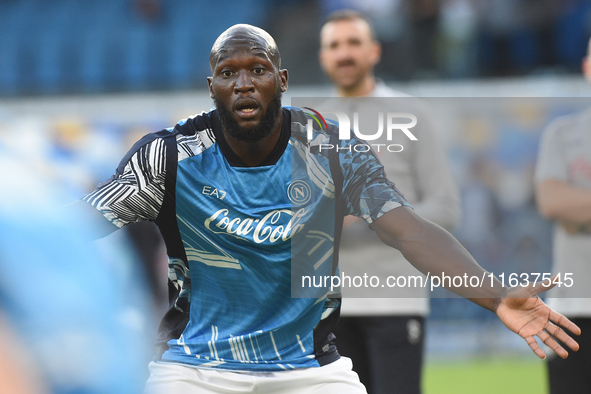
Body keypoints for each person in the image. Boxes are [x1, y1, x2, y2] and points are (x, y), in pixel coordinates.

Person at [78, 24, 580, 393]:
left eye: (258, 69)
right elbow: (80, 222)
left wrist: (495, 296)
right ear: (212, 88)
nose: (244, 83)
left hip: (309, 369)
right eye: (228, 73)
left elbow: (409, 231)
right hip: (194, 368)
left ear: (283, 78)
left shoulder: (332, 150)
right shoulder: (168, 158)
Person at [317, 9, 461, 394]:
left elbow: (445, 207)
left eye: (353, 43)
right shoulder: (308, 126)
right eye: (334, 45)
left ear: (374, 51)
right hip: (327, 307)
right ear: (323, 57)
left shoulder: (412, 115)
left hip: (395, 299)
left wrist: (373, 220)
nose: (344, 53)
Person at [534, 38, 591, 394]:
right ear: (587, 68)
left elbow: (568, 207)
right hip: (572, 307)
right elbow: (552, 202)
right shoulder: (562, 134)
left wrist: (580, 213)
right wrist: (567, 208)